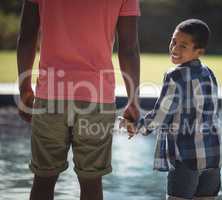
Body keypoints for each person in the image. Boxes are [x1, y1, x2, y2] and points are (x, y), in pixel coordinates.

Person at [16, 0, 140, 200]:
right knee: (92, 183)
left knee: (43, 180)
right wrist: (133, 100)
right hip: (97, 98)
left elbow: (27, 36)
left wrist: (24, 90)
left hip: (50, 96)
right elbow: (129, 48)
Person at [126, 19, 221, 200]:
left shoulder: (175, 75)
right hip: (213, 158)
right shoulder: (209, 72)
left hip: (186, 159)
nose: (175, 48)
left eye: (183, 46)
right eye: (173, 41)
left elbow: (161, 115)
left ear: (198, 51)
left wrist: (138, 126)